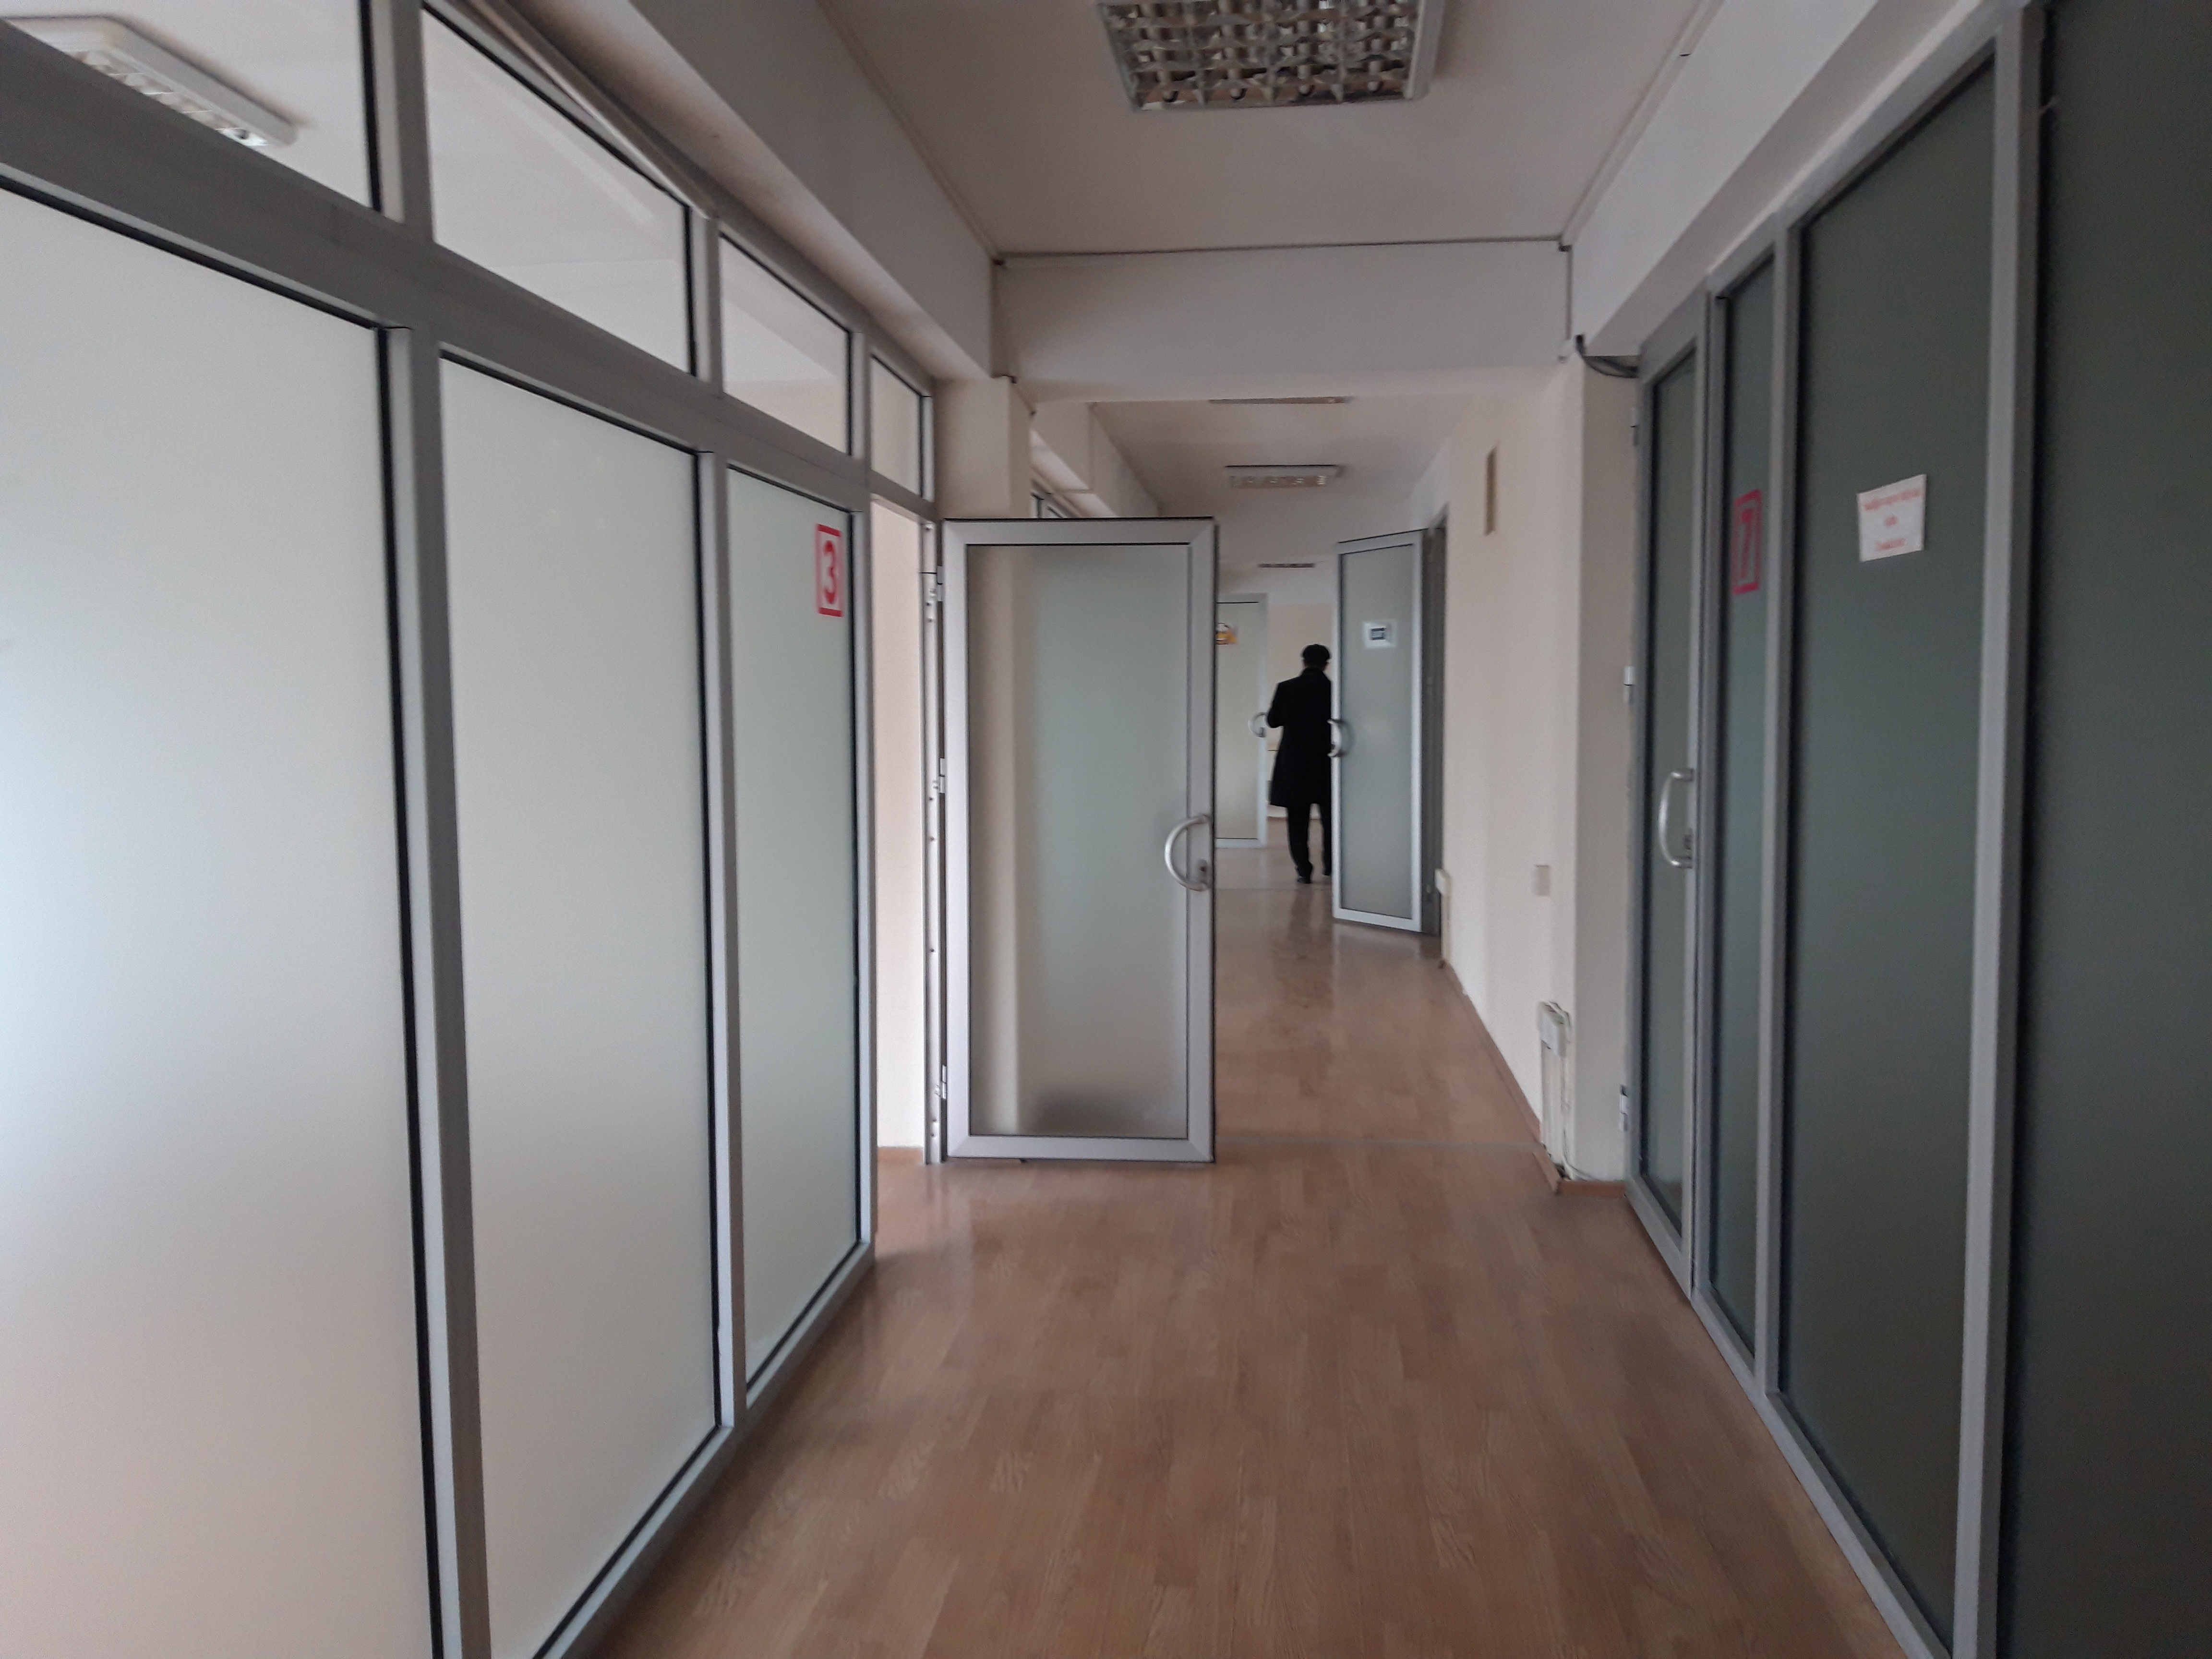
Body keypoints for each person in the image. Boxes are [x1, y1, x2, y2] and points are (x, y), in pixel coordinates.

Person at [1265, 643, 1334, 884]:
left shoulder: (1287, 688)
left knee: (1297, 821)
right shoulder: (1334, 690)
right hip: (1326, 762)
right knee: (1331, 819)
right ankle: (1331, 866)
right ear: (1326, 665)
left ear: (1303, 662)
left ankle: (1304, 870)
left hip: (1294, 762)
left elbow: (1273, 721)